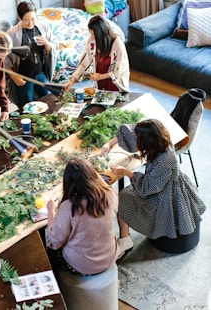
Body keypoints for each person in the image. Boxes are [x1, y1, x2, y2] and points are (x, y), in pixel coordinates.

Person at [101, 119, 206, 259]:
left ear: (148, 142)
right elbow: (130, 130)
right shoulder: (159, 136)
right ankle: (125, 239)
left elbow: (147, 188)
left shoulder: (166, 161)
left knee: (123, 199)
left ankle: (125, 240)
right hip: (159, 183)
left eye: (139, 140)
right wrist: (110, 143)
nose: (136, 142)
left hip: (165, 194)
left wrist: (126, 172)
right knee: (126, 194)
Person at [46, 158, 118, 276]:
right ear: (93, 175)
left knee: (51, 251)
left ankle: (58, 285)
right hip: (109, 257)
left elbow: (53, 242)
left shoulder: (69, 207)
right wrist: (91, 172)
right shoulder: (109, 195)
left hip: (82, 266)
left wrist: (50, 210)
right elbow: (105, 186)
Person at [5, 1, 58, 108]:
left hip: (40, 73)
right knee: (27, 106)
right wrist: (14, 76)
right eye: (26, 20)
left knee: (50, 100)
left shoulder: (43, 27)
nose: (30, 23)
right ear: (20, 18)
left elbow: (53, 46)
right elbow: (4, 60)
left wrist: (47, 44)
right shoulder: (12, 34)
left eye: (33, 19)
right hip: (23, 77)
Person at [64, 15, 129, 93]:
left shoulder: (117, 44)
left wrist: (101, 76)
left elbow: (119, 71)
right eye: (90, 33)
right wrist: (72, 80)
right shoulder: (92, 41)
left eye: (93, 34)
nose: (91, 37)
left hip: (115, 85)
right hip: (99, 83)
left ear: (101, 34)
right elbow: (84, 62)